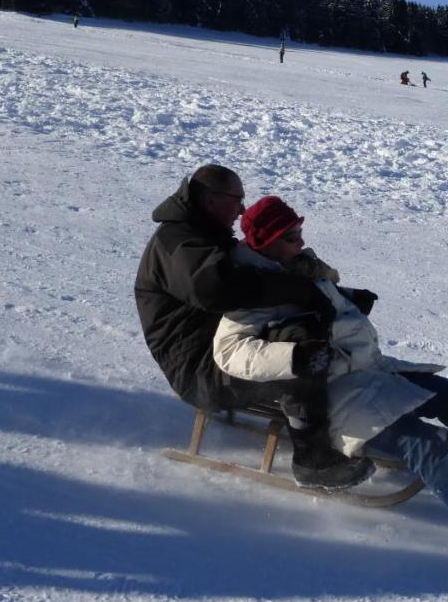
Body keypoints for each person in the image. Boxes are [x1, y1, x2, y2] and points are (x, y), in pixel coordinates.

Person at [215, 196, 448, 557]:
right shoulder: (251, 287)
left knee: (446, 394)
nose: (301, 241)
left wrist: (349, 296)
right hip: (328, 395)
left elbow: (319, 299)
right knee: (421, 443)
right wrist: (296, 356)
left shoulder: (297, 266)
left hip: (364, 369)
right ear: (265, 243)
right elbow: (230, 351)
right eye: (291, 236)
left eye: (300, 232)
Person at [134, 165, 371, 490]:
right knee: (297, 355)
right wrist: (299, 291)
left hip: (222, 351)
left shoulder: (202, 236)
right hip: (200, 371)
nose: (242, 209)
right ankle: (313, 460)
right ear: (211, 200)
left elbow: (259, 278)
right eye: (237, 200)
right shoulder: (177, 243)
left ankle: (344, 417)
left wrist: (337, 296)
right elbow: (216, 288)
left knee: (304, 333)